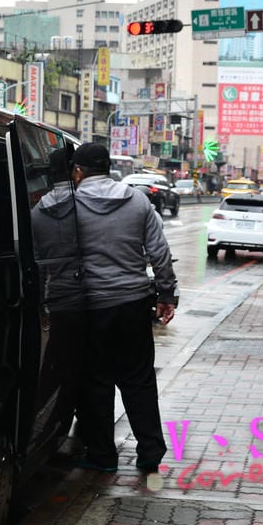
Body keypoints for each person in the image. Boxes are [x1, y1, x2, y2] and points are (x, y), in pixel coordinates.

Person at [31, 142, 178, 474]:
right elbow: (160, 253)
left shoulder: (63, 206)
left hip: (89, 307)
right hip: (133, 303)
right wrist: (166, 294)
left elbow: (40, 251)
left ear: (78, 171)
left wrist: (42, 301)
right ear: (107, 167)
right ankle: (150, 451)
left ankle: (102, 455)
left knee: (95, 381)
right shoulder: (137, 201)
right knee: (139, 379)